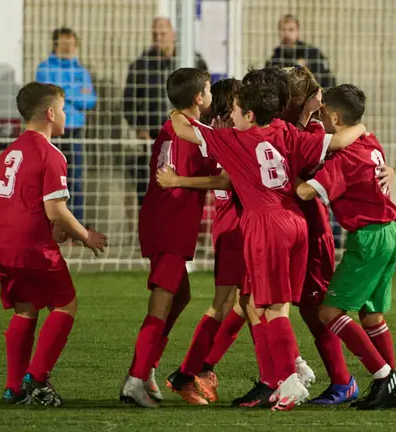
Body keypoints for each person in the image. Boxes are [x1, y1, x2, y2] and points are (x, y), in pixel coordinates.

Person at [167, 68, 365, 410]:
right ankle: (280, 377)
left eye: (236, 109)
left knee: (271, 309)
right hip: (296, 222)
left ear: (249, 113)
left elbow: (182, 126)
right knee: (265, 306)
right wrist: (361, 127)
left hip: (267, 225)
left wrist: (177, 107)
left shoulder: (233, 140)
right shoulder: (289, 131)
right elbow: (337, 142)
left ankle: (290, 380)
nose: (229, 114)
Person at [0, 82, 107, 407]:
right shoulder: (50, 154)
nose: (66, 115)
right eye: (64, 109)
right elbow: (56, 209)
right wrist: (85, 235)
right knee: (66, 304)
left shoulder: (9, 152)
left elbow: (22, 204)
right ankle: (37, 378)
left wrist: (53, 230)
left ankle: (13, 388)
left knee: (25, 308)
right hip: (29, 246)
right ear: (51, 114)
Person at [295, 84, 396, 410]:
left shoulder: (344, 161)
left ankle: (385, 377)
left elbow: (304, 193)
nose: (320, 119)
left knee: (330, 312)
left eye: (323, 113)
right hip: (388, 235)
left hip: (367, 240)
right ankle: (392, 389)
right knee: (372, 316)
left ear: (335, 117)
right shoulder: (368, 141)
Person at [119, 68, 213, 409]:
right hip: (170, 224)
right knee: (162, 302)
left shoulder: (177, 126)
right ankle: (136, 376)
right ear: (198, 98)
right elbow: (220, 177)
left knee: (180, 295)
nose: (211, 93)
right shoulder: (193, 134)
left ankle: (147, 369)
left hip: (164, 220)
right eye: (209, 88)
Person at [156, 78, 246, 405]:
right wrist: (179, 180)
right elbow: (224, 178)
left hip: (241, 223)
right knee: (227, 304)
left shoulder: (220, 135)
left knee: (246, 304)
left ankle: (202, 368)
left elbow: (181, 124)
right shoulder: (225, 137)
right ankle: (188, 373)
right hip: (233, 224)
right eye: (239, 104)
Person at [122, 17, 208, 206]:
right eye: (155, 34)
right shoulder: (141, 66)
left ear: (173, 34)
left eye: (163, 33)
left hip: (186, 135)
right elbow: (129, 103)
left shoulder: (193, 60)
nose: (159, 38)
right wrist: (140, 128)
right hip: (152, 137)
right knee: (149, 190)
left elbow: (206, 96)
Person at [35, 27, 96, 222]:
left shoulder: (82, 71)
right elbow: (47, 98)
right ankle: (48, 225)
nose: (68, 47)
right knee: (50, 180)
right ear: (56, 45)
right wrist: (76, 92)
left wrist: (64, 93)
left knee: (75, 180)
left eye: (71, 43)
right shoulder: (45, 68)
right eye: (64, 43)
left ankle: (75, 226)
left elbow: (90, 101)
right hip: (52, 132)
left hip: (75, 130)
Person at [266, 15, 335, 89]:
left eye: (291, 30)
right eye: (283, 30)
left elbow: (328, 80)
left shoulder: (312, 53)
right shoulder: (275, 59)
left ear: (297, 32)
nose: (287, 34)